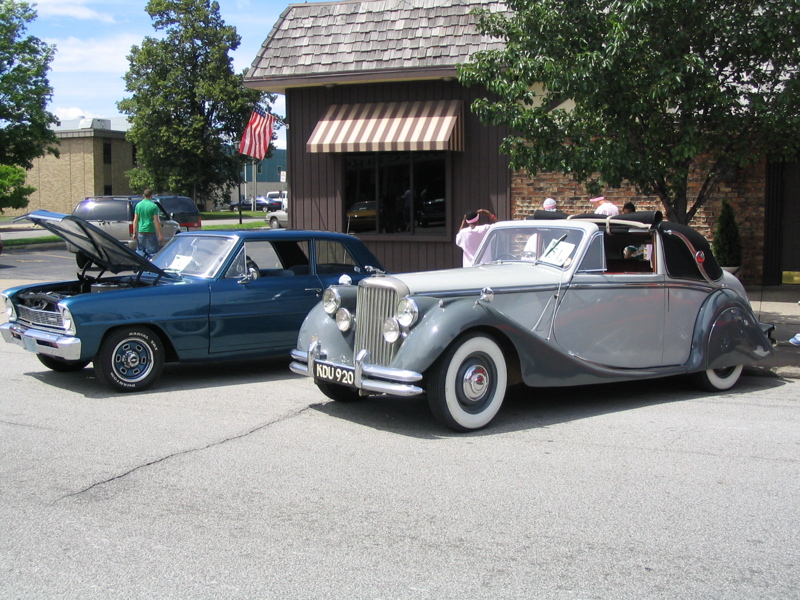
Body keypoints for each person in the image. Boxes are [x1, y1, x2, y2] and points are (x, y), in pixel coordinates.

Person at [132, 188, 163, 257]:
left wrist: (134, 232)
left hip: (141, 231)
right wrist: (160, 234)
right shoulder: (154, 206)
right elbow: (156, 221)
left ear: (143, 195)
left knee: (140, 251)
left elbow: (135, 220)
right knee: (153, 252)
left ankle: (140, 266)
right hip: (150, 231)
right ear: (151, 195)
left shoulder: (138, 205)